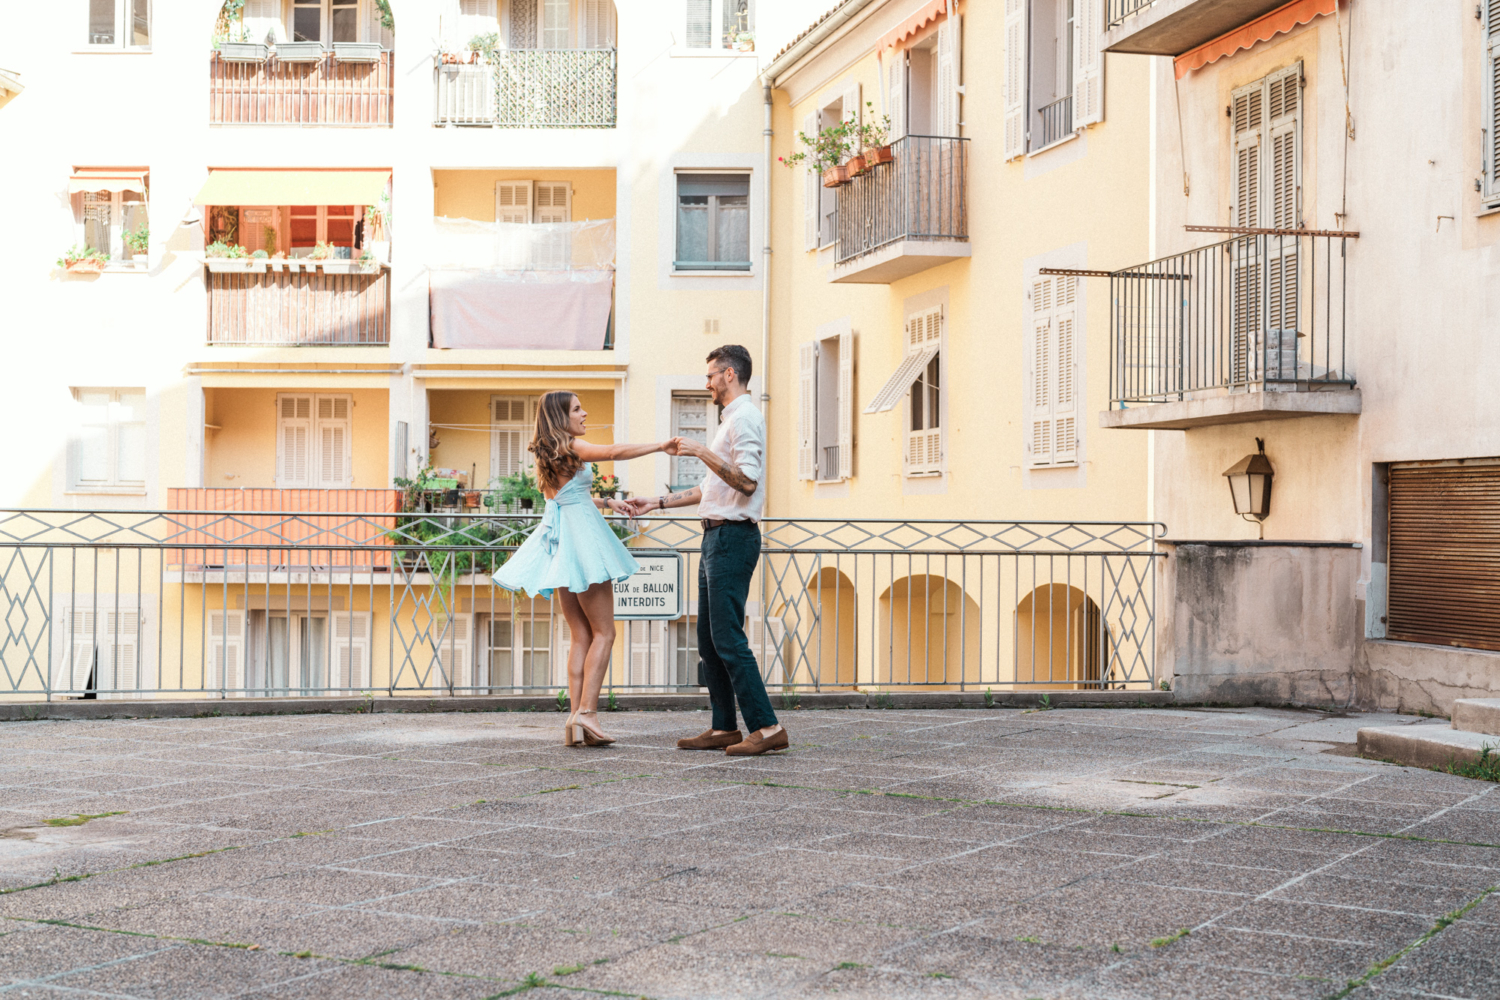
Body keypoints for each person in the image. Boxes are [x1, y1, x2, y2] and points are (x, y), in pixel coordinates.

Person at [626, 346, 788, 756]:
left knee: (728, 637)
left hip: (733, 538)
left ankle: (767, 727)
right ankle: (724, 727)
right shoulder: (729, 422)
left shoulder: (745, 417)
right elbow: (711, 490)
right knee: (708, 638)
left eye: (711, 375)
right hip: (716, 536)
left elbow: (747, 482)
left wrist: (700, 450)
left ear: (730, 374)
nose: (707, 383)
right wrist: (656, 503)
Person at [494, 390, 673, 748]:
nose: (584, 413)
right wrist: (660, 446)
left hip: (563, 544)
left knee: (581, 635)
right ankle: (588, 714)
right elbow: (613, 452)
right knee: (604, 633)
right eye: (577, 409)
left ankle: (575, 720)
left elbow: (567, 496)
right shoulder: (572, 448)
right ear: (562, 417)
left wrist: (608, 501)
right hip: (583, 542)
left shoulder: (549, 455)